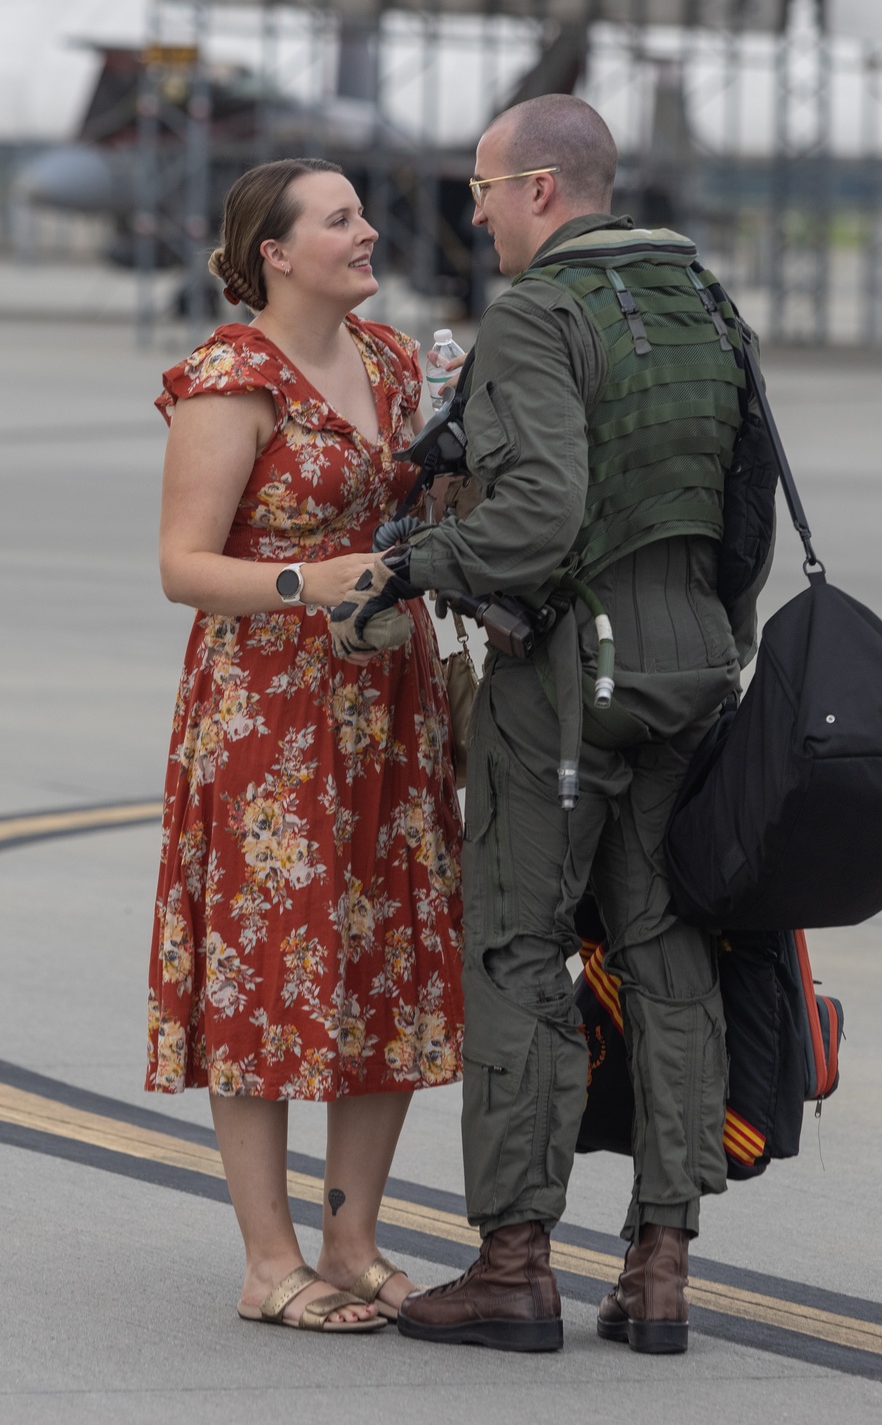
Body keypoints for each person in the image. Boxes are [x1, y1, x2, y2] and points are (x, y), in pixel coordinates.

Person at [345, 94, 771, 1354]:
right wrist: (713, 640)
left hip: (569, 678)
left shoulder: (537, 315)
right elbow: (739, 502)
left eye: (481, 187)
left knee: (519, 947)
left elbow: (536, 517)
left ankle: (513, 1262)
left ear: (540, 187)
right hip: (695, 664)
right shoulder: (706, 302)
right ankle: (659, 1270)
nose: (470, 210)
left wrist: (415, 565)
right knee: (668, 946)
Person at [146, 157, 464, 1332]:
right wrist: (304, 578)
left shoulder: (390, 361)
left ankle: (351, 1235)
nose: (370, 231)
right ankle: (267, 1257)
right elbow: (184, 564)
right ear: (275, 253)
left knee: (383, 962)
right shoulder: (234, 376)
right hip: (271, 712)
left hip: (388, 702)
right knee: (267, 967)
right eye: (341, 219)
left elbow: (418, 518)